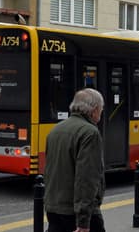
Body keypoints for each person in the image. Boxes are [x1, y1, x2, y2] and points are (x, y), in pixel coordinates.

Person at [44, 89, 106, 232]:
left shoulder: (55, 130)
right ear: (94, 110)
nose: (101, 112)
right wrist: (84, 221)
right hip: (75, 213)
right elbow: (86, 179)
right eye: (101, 109)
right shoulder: (90, 133)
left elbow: (49, 171)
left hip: (54, 209)